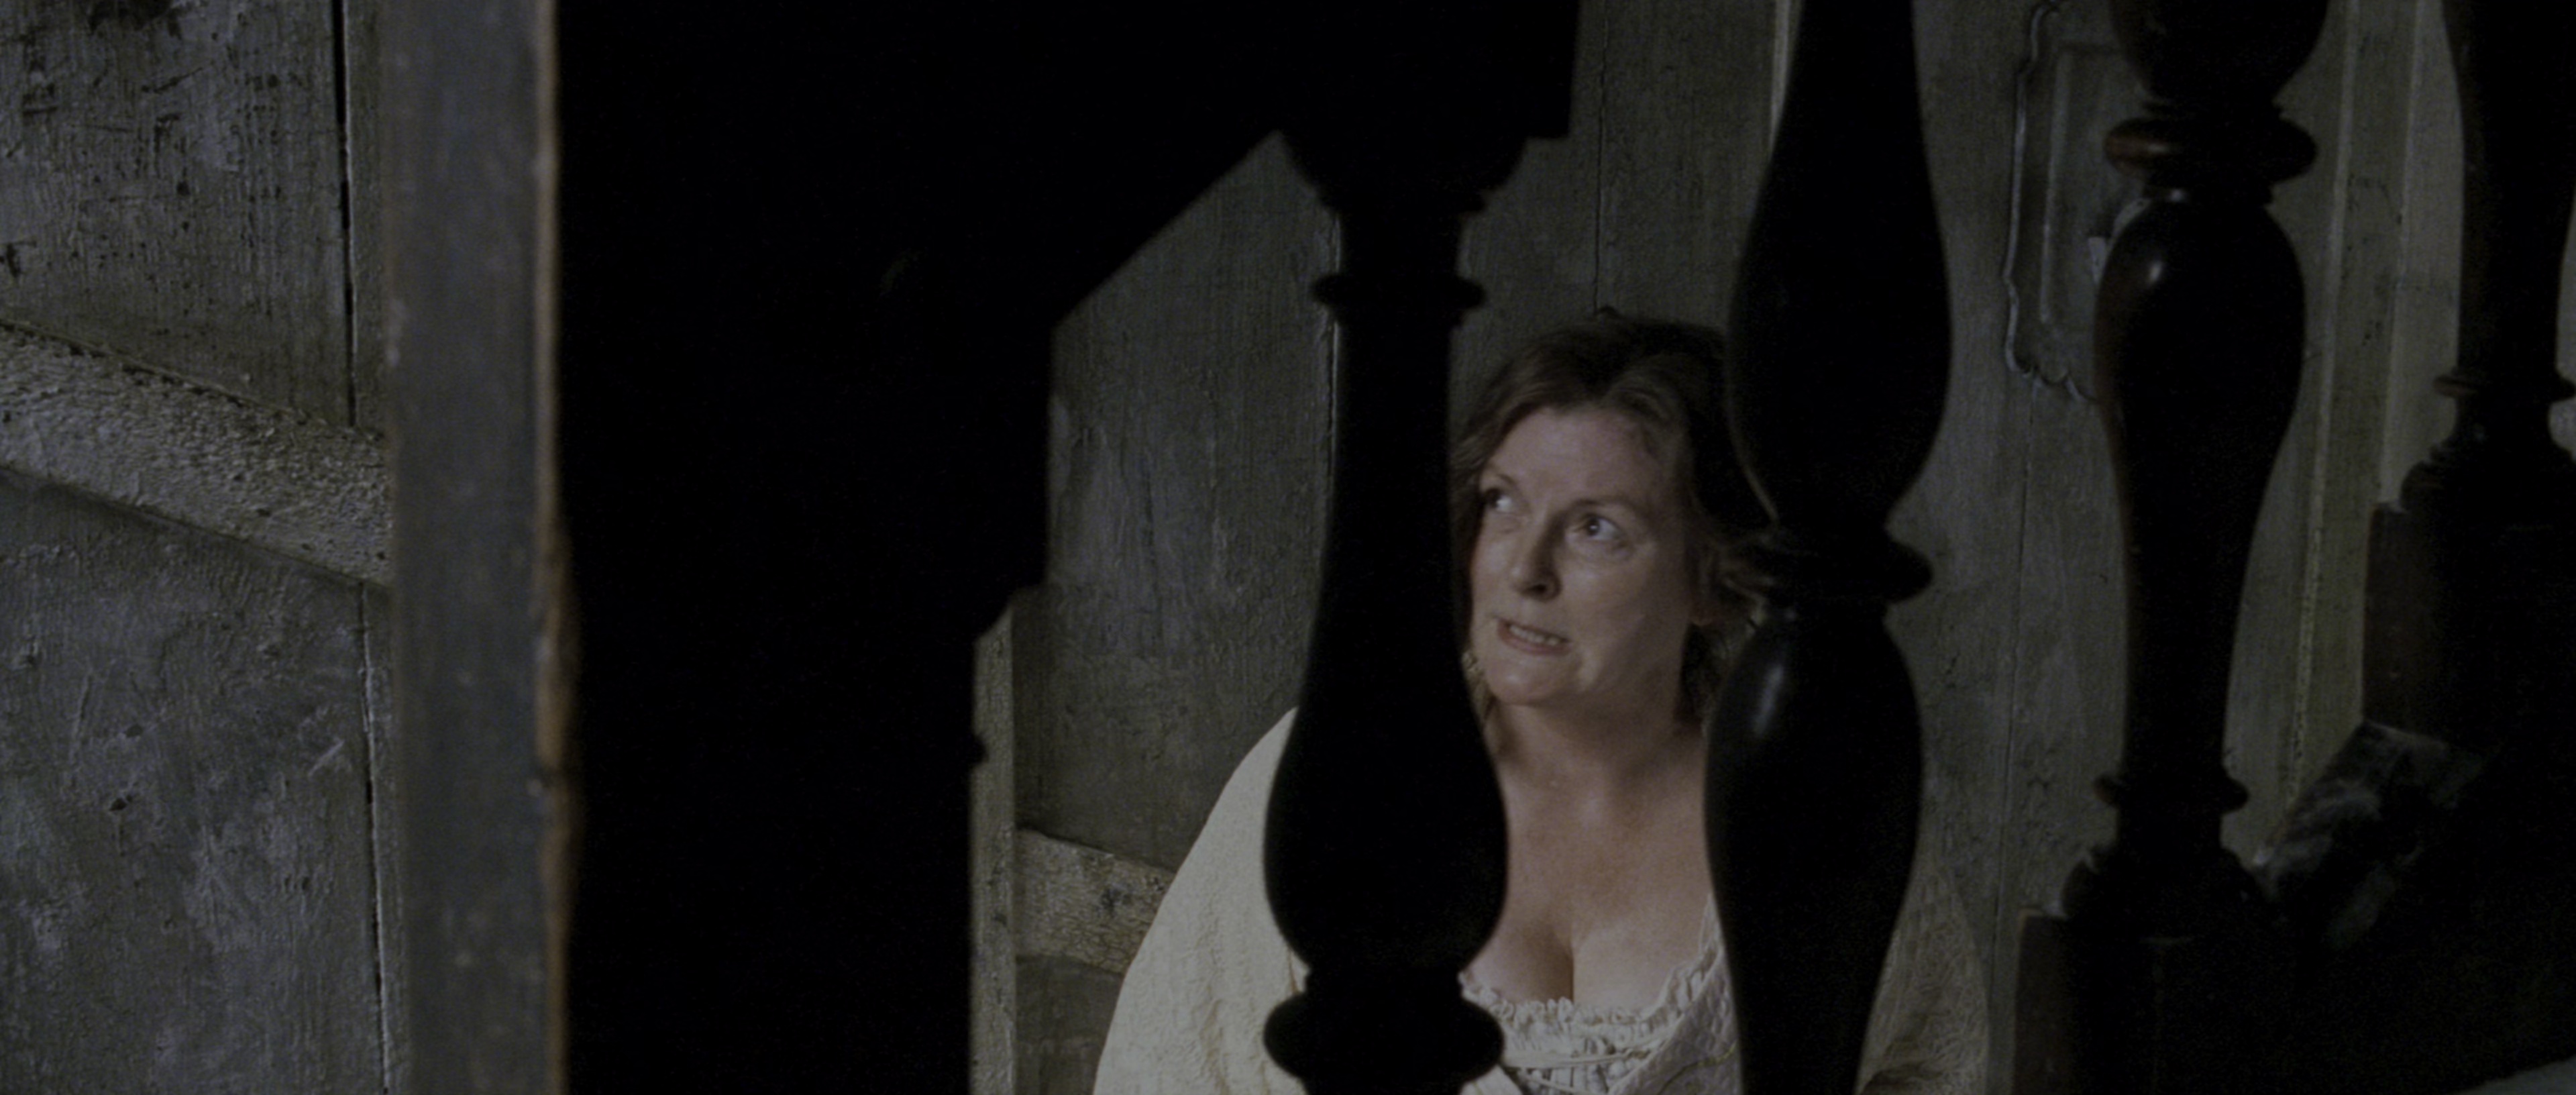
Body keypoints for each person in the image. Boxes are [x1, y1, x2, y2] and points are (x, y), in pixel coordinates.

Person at [1092, 314, 1985, 1095]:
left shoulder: (1814, 805)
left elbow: (1934, 1066)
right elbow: (1166, 1069)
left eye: (1597, 528)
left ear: (1712, 580)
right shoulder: (1343, 766)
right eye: (1503, 503)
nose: (1525, 568)